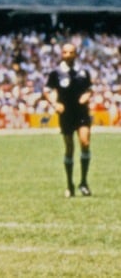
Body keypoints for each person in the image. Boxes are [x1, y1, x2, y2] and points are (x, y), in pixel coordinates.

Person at [44, 43, 93, 198]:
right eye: (65, 52)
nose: (68, 55)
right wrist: (54, 103)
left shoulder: (83, 72)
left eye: (71, 52)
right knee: (69, 148)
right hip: (66, 114)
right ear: (61, 54)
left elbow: (89, 88)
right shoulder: (56, 73)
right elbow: (47, 90)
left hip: (82, 113)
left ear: (75, 54)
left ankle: (84, 182)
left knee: (85, 143)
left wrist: (88, 95)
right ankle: (70, 184)